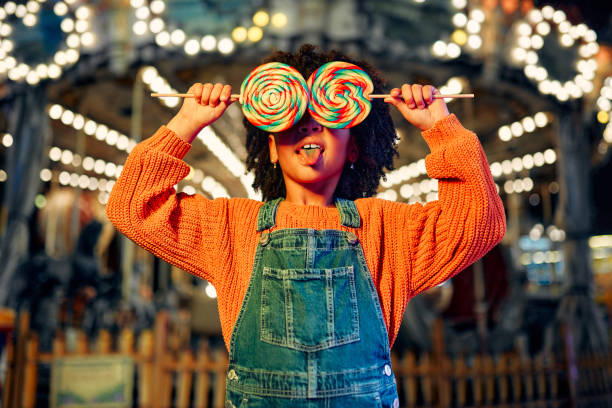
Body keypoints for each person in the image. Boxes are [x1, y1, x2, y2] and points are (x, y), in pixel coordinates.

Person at [107, 44, 506, 407]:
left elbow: (479, 222)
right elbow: (133, 207)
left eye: (326, 116)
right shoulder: (229, 228)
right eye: (293, 114)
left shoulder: (388, 230)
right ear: (270, 148)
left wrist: (441, 127)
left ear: (354, 147)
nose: (310, 123)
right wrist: (185, 124)